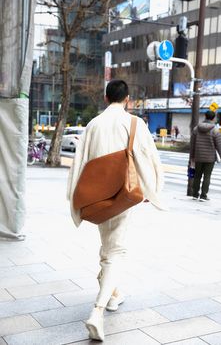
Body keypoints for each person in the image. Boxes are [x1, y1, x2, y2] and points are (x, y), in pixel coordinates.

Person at [67, 79, 165, 341]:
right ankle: (97, 312)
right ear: (128, 99)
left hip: (98, 198)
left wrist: (75, 199)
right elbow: (149, 157)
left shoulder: (93, 124)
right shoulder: (134, 123)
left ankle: (113, 296)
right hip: (124, 195)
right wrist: (151, 189)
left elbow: (80, 162)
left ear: (106, 98)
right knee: (116, 251)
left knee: (108, 247)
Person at [190, 110, 221, 202]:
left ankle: (195, 194)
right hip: (210, 158)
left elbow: (192, 144)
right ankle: (203, 196)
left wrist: (192, 157)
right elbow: (219, 145)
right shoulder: (215, 130)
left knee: (197, 176)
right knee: (207, 176)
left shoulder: (196, 129)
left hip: (198, 156)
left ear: (205, 116)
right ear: (213, 118)